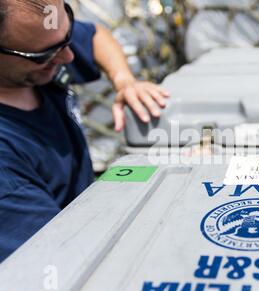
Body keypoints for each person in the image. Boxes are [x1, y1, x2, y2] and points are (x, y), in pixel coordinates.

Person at [0, 0, 169, 262]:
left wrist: (124, 80)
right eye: (44, 55)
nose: (68, 56)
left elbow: (95, 37)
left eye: (67, 36)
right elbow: (59, 257)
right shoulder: (5, 172)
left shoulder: (38, 36)